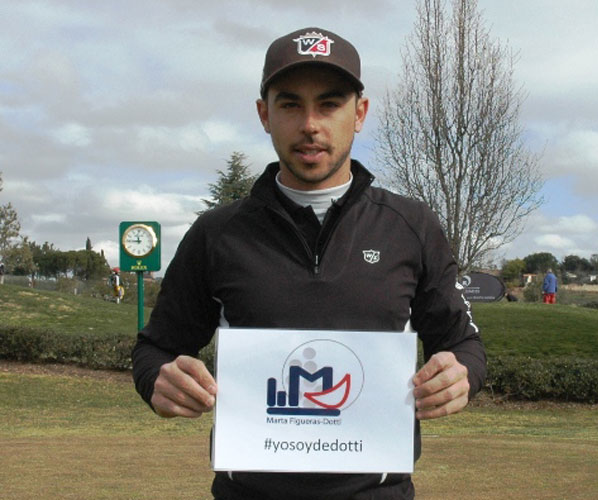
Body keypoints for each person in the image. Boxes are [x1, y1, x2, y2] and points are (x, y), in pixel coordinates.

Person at [132, 27, 486, 500]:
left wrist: (461, 375)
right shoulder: (217, 233)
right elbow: (155, 347)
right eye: (290, 105)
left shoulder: (411, 225)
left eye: (330, 104)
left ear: (359, 113)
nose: (310, 125)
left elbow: (463, 344)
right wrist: (159, 380)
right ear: (264, 114)